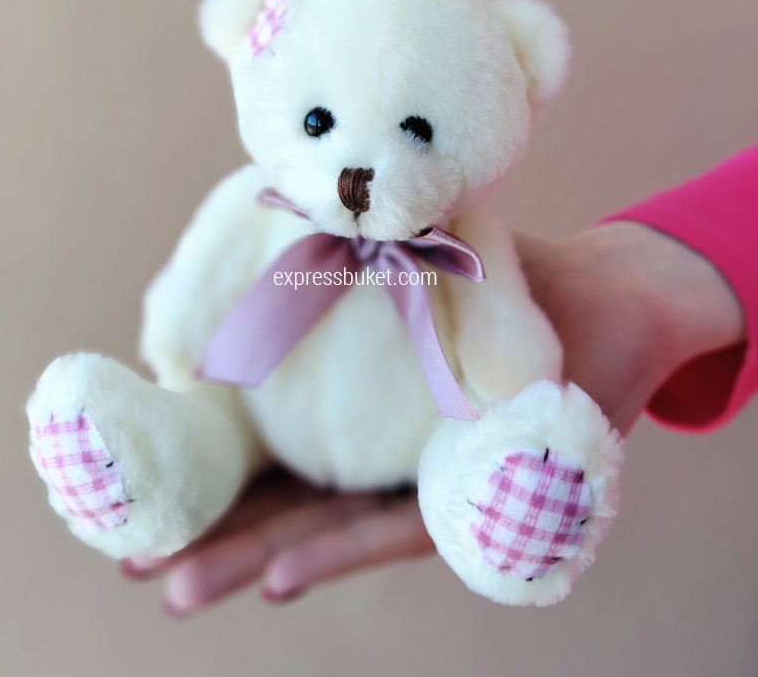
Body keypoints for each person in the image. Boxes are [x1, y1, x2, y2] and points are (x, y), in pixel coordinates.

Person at [122, 146, 756, 618]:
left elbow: (500, 327)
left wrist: (517, 394)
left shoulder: (463, 240)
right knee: (201, 431)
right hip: (261, 419)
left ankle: (497, 488)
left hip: (425, 427)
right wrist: (180, 353)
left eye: (417, 129)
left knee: (472, 439)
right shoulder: (259, 204)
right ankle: (152, 455)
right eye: (319, 124)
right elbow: (193, 297)